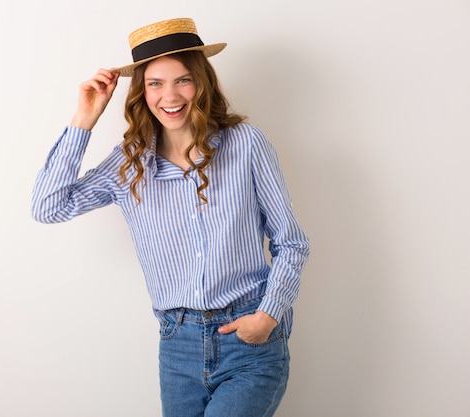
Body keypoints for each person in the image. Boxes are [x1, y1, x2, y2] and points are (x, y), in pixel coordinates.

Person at [31, 17, 309, 417]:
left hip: (248, 340)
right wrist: (84, 119)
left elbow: (292, 243)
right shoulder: (128, 164)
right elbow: (48, 206)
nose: (170, 95)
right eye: (155, 83)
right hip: (178, 347)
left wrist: (267, 316)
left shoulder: (246, 144)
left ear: (202, 82)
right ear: (141, 92)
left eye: (182, 80)